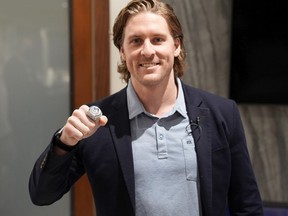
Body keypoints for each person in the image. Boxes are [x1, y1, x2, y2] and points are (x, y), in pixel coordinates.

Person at [29, 0, 263, 215]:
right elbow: (42, 195)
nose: (148, 51)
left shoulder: (221, 113)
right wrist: (63, 143)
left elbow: (247, 205)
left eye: (158, 39)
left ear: (176, 46)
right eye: (136, 41)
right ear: (122, 51)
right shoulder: (96, 123)